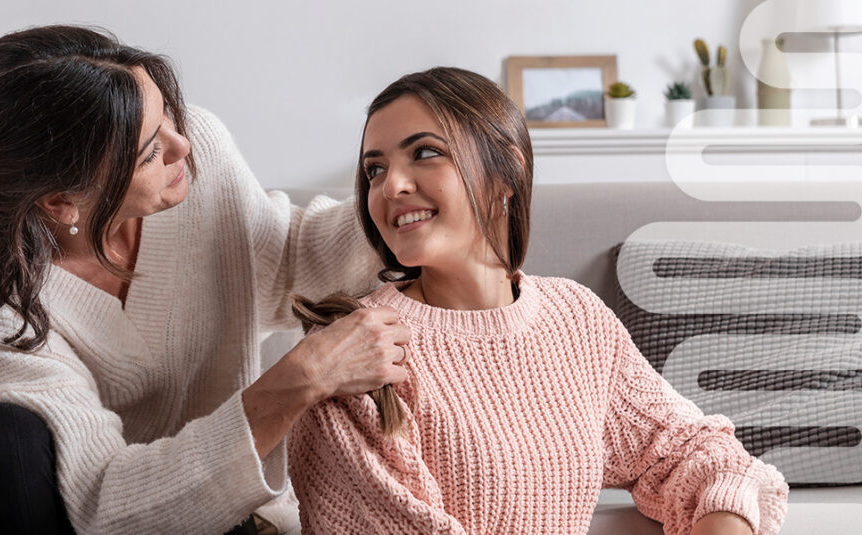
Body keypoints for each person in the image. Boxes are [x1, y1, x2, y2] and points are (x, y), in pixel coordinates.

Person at [0, 25, 412, 535]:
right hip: (43, 503)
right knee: (4, 437)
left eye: (168, 118)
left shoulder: (195, 153)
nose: (182, 145)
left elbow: (292, 257)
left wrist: (404, 199)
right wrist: (301, 380)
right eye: (148, 153)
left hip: (212, 503)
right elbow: (99, 502)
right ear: (60, 200)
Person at [287, 67, 789, 535]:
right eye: (374, 170)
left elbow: (698, 454)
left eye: (423, 153)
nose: (390, 186)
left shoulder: (576, 320)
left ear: (506, 172)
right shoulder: (354, 351)